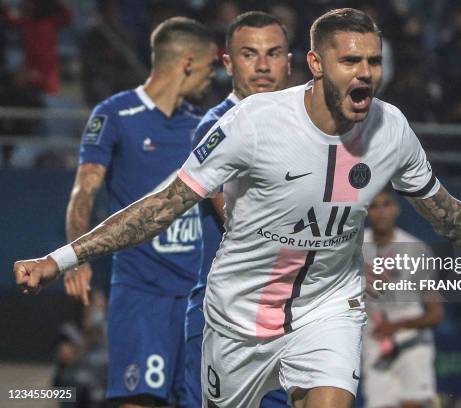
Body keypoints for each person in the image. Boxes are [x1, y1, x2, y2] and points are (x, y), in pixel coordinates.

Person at [15, 8, 461, 408]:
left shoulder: (392, 129)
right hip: (237, 320)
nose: (365, 73)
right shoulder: (254, 124)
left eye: (373, 61)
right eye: (350, 62)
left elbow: (451, 215)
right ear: (316, 65)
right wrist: (62, 258)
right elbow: (162, 206)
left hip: (327, 309)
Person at [61, 17, 217, 407]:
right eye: (209, 66)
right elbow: (85, 189)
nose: (211, 78)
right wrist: (75, 257)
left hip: (197, 300)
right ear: (187, 63)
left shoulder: (202, 126)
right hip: (141, 294)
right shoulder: (115, 114)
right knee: (139, 401)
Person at [184, 11, 292, 408]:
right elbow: (238, 219)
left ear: (290, 62)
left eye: (273, 53)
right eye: (249, 54)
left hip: (286, 320)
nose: (263, 66)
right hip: (225, 322)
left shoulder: (307, 125)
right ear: (227, 62)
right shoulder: (216, 127)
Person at [361, 189, 443, 408]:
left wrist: (397, 325)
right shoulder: (355, 248)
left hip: (411, 339)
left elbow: (435, 314)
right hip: (374, 338)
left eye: (386, 204)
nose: (381, 212)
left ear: (396, 209)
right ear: (366, 212)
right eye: (374, 206)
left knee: (413, 404)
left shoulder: (417, 250)